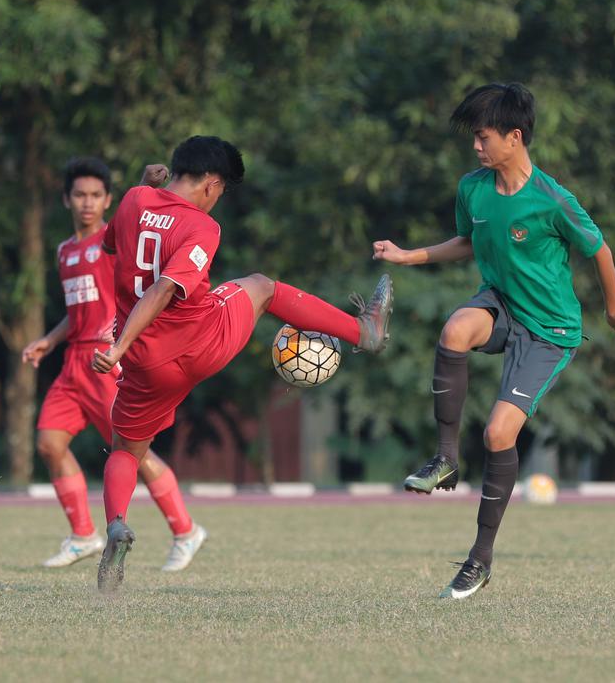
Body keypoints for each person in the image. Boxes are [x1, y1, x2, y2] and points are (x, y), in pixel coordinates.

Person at [91, 135, 394, 593]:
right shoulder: (202, 227)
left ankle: (116, 524)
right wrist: (115, 348)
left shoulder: (134, 199)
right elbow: (163, 290)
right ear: (212, 184)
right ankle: (365, 330)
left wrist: (119, 349)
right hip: (198, 343)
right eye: (223, 191)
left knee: (125, 451)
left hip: (143, 364)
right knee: (261, 286)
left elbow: (114, 244)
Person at [371, 83, 615, 599]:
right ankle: (445, 459)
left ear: (514, 137)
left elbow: (599, 250)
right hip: (501, 304)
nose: (475, 146)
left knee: (496, 435)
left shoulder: (553, 199)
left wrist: (614, 305)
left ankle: (480, 559)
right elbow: (467, 243)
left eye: (483, 136)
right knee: (454, 329)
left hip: (550, 330)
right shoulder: (473, 188)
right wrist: (408, 255)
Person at [21, 157, 207, 572]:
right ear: (67, 199)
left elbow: (139, 217)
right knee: (49, 444)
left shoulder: (115, 236)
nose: (87, 203)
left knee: (134, 454)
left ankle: (185, 530)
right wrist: (48, 342)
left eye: (95, 195)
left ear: (108, 200)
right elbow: (77, 310)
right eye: (79, 195)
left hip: (108, 362)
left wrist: (143, 183)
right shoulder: (64, 251)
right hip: (73, 364)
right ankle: (83, 536)